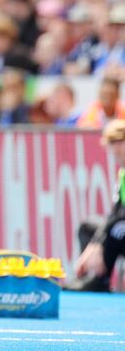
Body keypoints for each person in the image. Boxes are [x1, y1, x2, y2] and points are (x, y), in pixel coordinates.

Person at [68, 119, 125, 292]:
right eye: (111, 144)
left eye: (118, 143)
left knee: (115, 229)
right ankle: (92, 275)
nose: (114, 149)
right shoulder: (122, 173)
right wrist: (95, 242)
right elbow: (116, 210)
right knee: (88, 226)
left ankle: (100, 279)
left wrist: (99, 243)